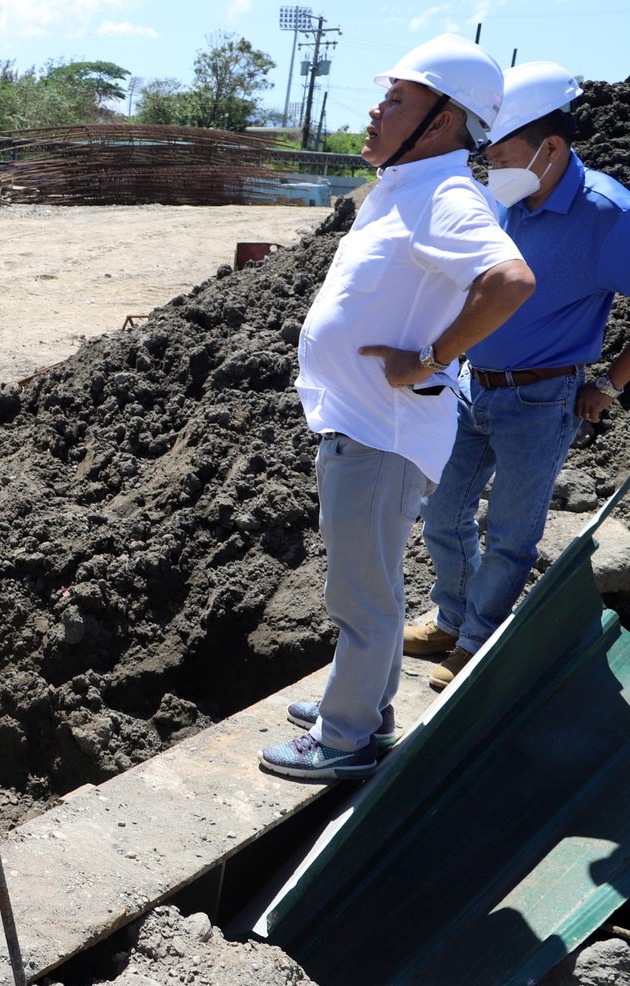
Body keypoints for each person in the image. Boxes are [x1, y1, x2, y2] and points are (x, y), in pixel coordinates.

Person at [260, 34, 535, 780]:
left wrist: (431, 358)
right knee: (368, 579)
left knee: (361, 593)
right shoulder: (407, 185)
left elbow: (509, 281)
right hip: (364, 428)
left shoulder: (446, 194)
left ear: (442, 120)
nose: (377, 110)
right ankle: (368, 707)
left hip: (382, 433)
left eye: (397, 100)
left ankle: (345, 738)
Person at [410, 61, 630, 690]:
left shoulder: (607, 214)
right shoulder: (504, 201)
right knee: (443, 505)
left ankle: (476, 643)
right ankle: (451, 618)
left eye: (501, 153)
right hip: (475, 383)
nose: (490, 167)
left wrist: (610, 385)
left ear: (551, 147)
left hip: (542, 397)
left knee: (511, 529)